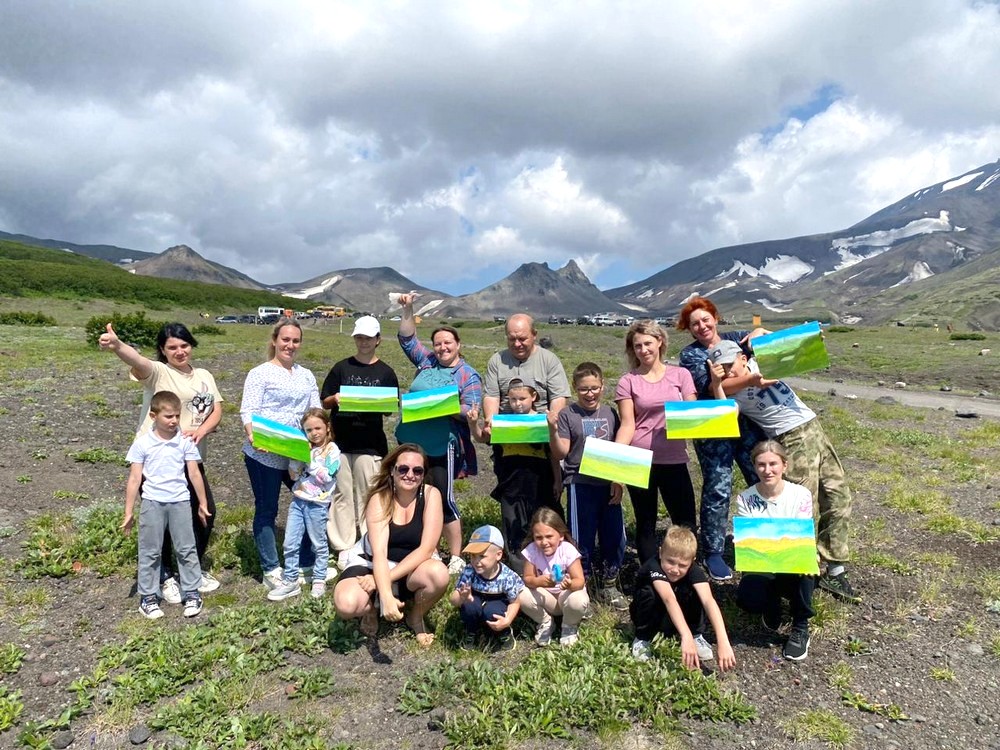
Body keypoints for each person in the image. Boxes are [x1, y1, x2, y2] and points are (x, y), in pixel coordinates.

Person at [707, 339, 858, 602]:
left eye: (731, 364)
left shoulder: (762, 362)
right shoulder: (734, 392)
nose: (729, 370)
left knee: (838, 495)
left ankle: (835, 567)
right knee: (803, 506)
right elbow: (725, 417)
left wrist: (806, 340)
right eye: (722, 368)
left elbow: (788, 343)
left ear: (743, 357)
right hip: (791, 438)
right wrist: (717, 383)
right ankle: (799, 573)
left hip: (813, 428)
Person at [99, 321, 222, 600]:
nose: (179, 351)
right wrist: (118, 346)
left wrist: (202, 430)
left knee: (204, 512)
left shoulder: (204, 374)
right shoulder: (158, 373)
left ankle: (189, 570)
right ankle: (165, 576)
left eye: (184, 345)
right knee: (161, 517)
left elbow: (216, 409)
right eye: (172, 347)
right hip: (155, 459)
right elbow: (139, 361)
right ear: (163, 351)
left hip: (190, 456)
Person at [677, 297, 768, 582]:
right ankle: (713, 549)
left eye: (705, 320)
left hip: (746, 422)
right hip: (713, 426)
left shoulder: (734, 339)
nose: (702, 326)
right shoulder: (690, 355)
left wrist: (760, 333)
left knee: (760, 476)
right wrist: (751, 379)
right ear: (689, 329)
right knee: (718, 484)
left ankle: (764, 539)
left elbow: (766, 345)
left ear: (716, 318)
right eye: (695, 324)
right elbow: (712, 386)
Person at [396, 294, 482, 574]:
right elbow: (407, 339)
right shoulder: (427, 362)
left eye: (448, 343)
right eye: (438, 343)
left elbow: (471, 408)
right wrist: (407, 308)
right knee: (417, 494)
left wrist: (442, 406)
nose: (442, 347)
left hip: (444, 443)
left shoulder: (468, 374)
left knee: (443, 498)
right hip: (412, 441)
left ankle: (456, 554)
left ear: (458, 345)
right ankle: (428, 548)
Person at [333, 444, 450, 646]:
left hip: (413, 566)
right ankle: (370, 609)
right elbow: (379, 553)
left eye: (417, 470)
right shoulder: (380, 498)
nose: (410, 475)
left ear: (423, 475)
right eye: (403, 469)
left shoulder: (431, 495)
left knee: (439, 574)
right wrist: (385, 594)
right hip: (371, 563)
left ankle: (415, 616)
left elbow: (426, 549)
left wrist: (380, 581)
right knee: (346, 605)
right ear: (392, 471)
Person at [241, 318, 321, 589]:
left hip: (296, 454)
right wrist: (253, 436)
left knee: (311, 502)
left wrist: (317, 438)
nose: (290, 345)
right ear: (275, 340)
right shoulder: (259, 373)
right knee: (267, 508)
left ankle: (308, 562)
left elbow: (315, 411)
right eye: (285, 339)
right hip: (264, 454)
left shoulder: (306, 374)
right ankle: (271, 568)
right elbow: (248, 411)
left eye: (295, 340)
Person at [614, 320, 697, 566]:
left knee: (685, 521)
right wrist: (616, 467)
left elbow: (693, 414)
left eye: (648, 343)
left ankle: (686, 571)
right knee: (646, 521)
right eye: (637, 346)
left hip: (673, 457)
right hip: (639, 459)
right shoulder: (628, 381)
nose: (643, 349)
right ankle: (650, 576)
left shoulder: (680, 375)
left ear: (660, 342)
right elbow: (628, 424)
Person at [321, 316, 399, 569]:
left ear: (378, 340)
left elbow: (390, 408)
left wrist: (384, 403)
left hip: (371, 443)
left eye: (368, 338)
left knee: (370, 494)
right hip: (340, 442)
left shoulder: (386, 372)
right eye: (359, 337)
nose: (363, 342)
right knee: (341, 493)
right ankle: (344, 545)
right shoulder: (341, 368)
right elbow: (324, 401)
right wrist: (336, 398)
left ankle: (370, 542)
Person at [123, 391, 209, 620]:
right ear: (153, 416)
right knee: (150, 551)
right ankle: (148, 596)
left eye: (177, 416)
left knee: (186, 548)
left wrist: (202, 502)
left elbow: (194, 473)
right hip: (152, 503)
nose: (173, 421)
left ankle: (191, 592)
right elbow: (134, 479)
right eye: (168, 416)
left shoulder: (185, 442)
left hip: (180, 501)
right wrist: (129, 511)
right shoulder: (142, 444)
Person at [549, 362, 627, 609]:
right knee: (581, 538)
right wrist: (552, 431)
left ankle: (609, 584)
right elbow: (561, 452)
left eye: (595, 388)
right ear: (575, 388)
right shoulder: (567, 415)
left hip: (608, 483)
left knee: (614, 534)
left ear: (603, 386)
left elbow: (618, 448)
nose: (590, 393)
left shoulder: (610, 414)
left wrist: (618, 479)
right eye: (584, 389)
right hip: (579, 484)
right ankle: (580, 585)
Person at [733, 440, 816, 661]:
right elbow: (750, 542)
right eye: (761, 464)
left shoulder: (801, 495)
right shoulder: (745, 498)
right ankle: (772, 602)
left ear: (784, 466)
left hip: (791, 561)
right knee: (748, 600)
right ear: (754, 466)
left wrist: (804, 552)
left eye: (773, 464)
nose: (767, 470)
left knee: (806, 565)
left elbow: (801, 537)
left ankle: (800, 626)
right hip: (762, 562)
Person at [468, 380, 561, 575]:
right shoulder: (502, 422)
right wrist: (473, 423)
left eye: (522, 399)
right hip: (511, 486)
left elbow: (554, 453)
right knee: (514, 530)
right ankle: (522, 574)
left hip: (540, 484)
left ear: (533, 397)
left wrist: (558, 480)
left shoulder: (543, 419)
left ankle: (551, 571)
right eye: (513, 399)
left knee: (543, 525)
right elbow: (482, 438)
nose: (518, 403)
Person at [629, 526, 736, 671]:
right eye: (670, 562)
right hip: (650, 613)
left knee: (698, 591)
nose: (675, 569)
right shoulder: (653, 566)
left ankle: (696, 634)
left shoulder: (694, 571)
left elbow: (708, 601)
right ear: (661, 553)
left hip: (674, 615)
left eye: (682, 565)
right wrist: (686, 637)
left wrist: (723, 641)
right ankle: (643, 637)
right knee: (649, 593)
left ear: (692, 561)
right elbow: (669, 599)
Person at [268, 409, 341, 602]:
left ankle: (319, 578)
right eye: (309, 430)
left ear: (327, 427)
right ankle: (291, 580)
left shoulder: (332, 450)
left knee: (319, 543)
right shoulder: (305, 450)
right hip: (298, 500)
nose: (314, 433)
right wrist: (296, 458)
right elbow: (293, 476)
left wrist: (310, 461)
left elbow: (328, 476)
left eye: (318, 428)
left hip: (318, 503)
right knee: (290, 542)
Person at [481, 313, 571, 436]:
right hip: (506, 430)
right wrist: (491, 419)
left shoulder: (549, 360)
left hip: (541, 431)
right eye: (512, 339)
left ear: (534, 335)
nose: (517, 344)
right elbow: (492, 396)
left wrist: (552, 423)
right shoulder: (496, 360)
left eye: (522, 339)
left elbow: (558, 397)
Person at [517, 508, 590, 647]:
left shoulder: (567, 550)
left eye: (549, 536)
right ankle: (545, 622)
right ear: (533, 537)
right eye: (539, 537)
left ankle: (569, 626)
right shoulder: (531, 550)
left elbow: (580, 581)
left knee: (579, 599)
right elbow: (527, 578)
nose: (544, 542)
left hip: (565, 596)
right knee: (520, 592)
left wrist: (569, 584)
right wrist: (539, 581)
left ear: (561, 536)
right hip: (546, 599)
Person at [449, 524, 523, 651]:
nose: (476, 561)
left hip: (497, 603)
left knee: (492, 611)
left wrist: (508, 619)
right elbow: (453, 600)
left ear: (498, 555)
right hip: (476, 600)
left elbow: (515, 602)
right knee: (469, 606)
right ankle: (471, 630)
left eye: (482, 556)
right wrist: (462, 596)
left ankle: (503, 633)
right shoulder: (469, 571)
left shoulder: (507, 577)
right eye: (472, 556)